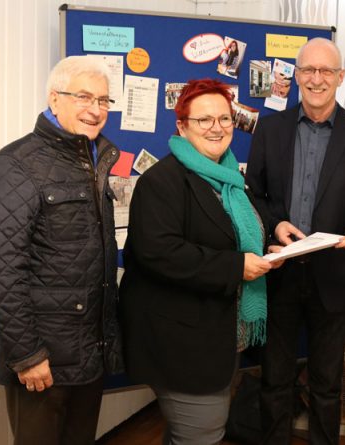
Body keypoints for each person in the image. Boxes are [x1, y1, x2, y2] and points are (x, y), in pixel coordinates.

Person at [119, 78, 277, 445]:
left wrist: (271, 239)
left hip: (219, 335)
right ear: (182, 126)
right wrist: (238, 267)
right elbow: (158, 253)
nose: (217, 128)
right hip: (182, 341)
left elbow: (238, 233)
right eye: (204, 120)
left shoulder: (231, 181)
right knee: (202, 434)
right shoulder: (163, 181)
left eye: (224, 119)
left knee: (189, 433)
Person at [246, 37, 345, 444]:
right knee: (275, 379)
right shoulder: (269, 129)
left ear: (341, 78)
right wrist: (275, 226)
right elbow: (254, 193)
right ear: (297, 75)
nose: (317, 79)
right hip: (280, 272)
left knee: (326, 385)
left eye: (326, 71)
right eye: (308, 70)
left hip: (336, 277)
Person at [0, 55, 124, 445]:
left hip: (87, 356)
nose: (95, 110)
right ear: (54, 98)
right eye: (83, 97)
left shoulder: (94, 160)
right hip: (43, 361)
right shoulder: (17, 164)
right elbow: (3, 268)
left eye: (104, 100)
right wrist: (27, 355)